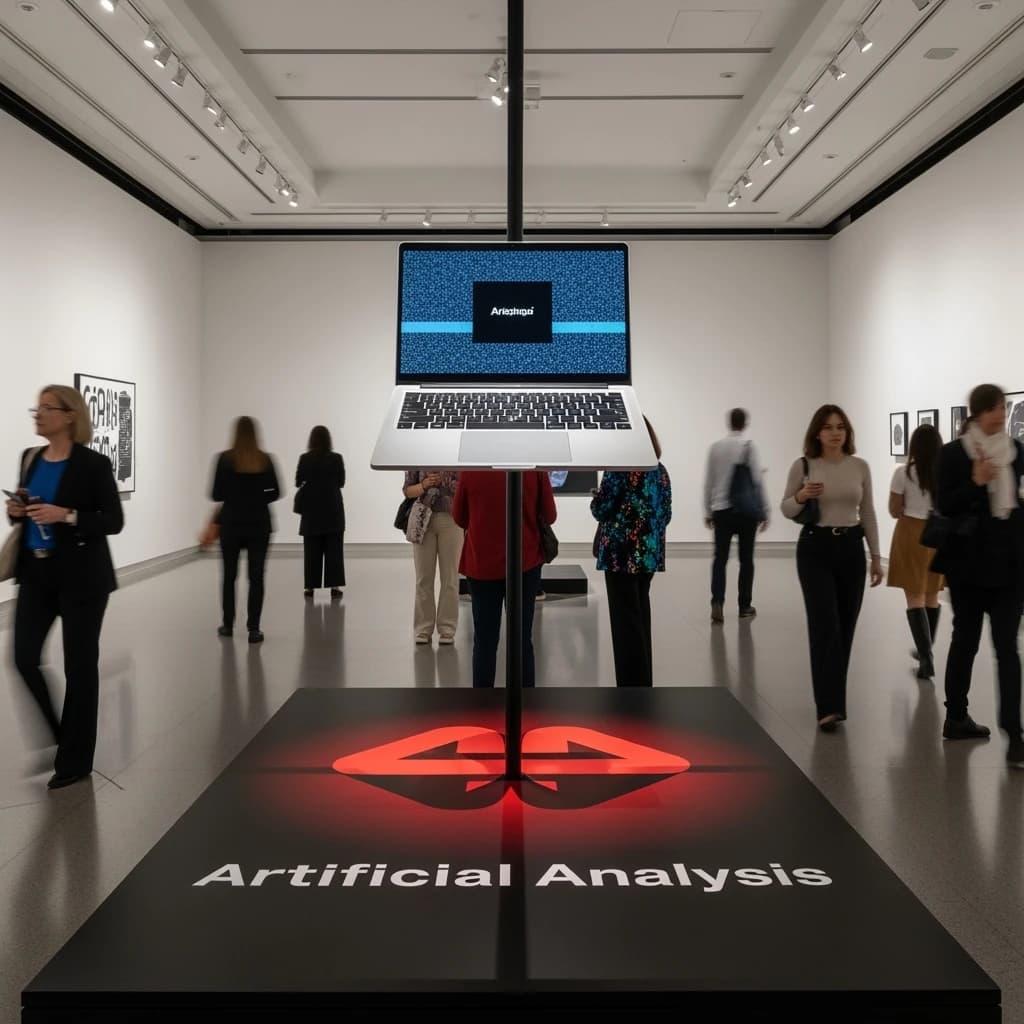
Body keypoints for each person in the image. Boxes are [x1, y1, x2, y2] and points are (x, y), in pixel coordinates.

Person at [7, 385, 123, 789]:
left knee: (79, 667)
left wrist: (67, 514)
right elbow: (28, 515)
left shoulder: (93, 464)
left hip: (83, 577)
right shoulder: (32, 458)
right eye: (35, 408)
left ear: (70, 415)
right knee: (22, 657)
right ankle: (61, 735)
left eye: (45, 408)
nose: (37, 415)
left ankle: (75, 762)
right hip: (37, 574)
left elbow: (112, 520)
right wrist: (17, 511)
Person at [930, 384, 1024, 766]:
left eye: (1003, 408)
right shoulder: (953, 455)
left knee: (1007, 647)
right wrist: (976, 482)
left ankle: (1014, 734)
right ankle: (956, 716)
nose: (1000, 415)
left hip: (1010, 566)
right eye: (992, 410)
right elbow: (943, 504)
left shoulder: (1017, 452)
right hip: (968, 566)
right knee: (965, 639)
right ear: (975, 413)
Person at [781, 405, 882, 731]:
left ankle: (833, 700)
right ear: (817, 433)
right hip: (815, 548)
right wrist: (801, 494)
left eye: (840, 427)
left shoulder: (860, 466)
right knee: (825, 625)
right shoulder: (804, 466)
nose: (835, 432)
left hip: (851, 548)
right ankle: (828, 707)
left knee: (845, 626)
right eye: (828, 427)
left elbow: (868, 512)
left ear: (847, 432)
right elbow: (785, 507)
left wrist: (876, 556)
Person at [452, 470, 556, 687]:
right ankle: (525, 703)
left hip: (482, 563)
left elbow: (459, 517)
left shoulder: (471, 471)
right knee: (522, 639)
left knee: (484, 641)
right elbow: (549, 515)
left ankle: (483, 704)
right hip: (523, 562)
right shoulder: (534, 470)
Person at [592, 416, 672, 686]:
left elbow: (601, 510)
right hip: (648, 556)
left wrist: (597, 499)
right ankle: (643, 684)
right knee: (640, 616)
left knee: (625, 624)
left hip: (620, 557)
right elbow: (666, 514)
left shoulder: (619, 470)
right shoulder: (659, 471)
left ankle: (630, 688)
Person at [210, 417, 281, 644]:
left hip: (231, 523)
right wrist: (257, 498)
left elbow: (216, 494)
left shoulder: (223, 460)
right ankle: (254, 628)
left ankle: (228, 625)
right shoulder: (265, 460)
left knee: (229, 576)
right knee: (256, 577)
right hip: (259, 523)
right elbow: (276, 492)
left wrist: (234, 495)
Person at [886, 423, 945, 679]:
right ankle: (925, 651)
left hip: (911, 532)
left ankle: (926, 658)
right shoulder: (944, 472)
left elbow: (893, 509)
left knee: (914, 597)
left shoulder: (903, 473)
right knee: (932, 595)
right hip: (937, 534)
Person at [703, 408, 769, 623]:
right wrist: (765, 509)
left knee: (720, 559)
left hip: (721, 510)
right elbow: (758, 480)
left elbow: (709, 481)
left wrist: (707, 510)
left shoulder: (715, 448)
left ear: (729, 423)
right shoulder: (751, 446)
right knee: (746, 560)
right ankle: (744, 605)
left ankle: (717, 602)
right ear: (745, 423)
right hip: (746, 512)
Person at [402, 469, 462, 644]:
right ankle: (423, 628)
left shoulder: (455, 456)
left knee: (450, 578)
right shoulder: (417, 455)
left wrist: (449, 484)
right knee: (423, 578)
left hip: (452, 519)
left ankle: (447, 629)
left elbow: (466, 488)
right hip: (422, 518)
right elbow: (407, 491)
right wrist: (424, 485)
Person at [294, 425, 345, 599]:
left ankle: (310, 587)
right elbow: (341, 482)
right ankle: (334, 586)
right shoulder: (336, 458)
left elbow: (298, 481)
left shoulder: (305, 458)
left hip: (311, 510)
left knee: (311, 551)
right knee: (334, 551)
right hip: (333, 510)